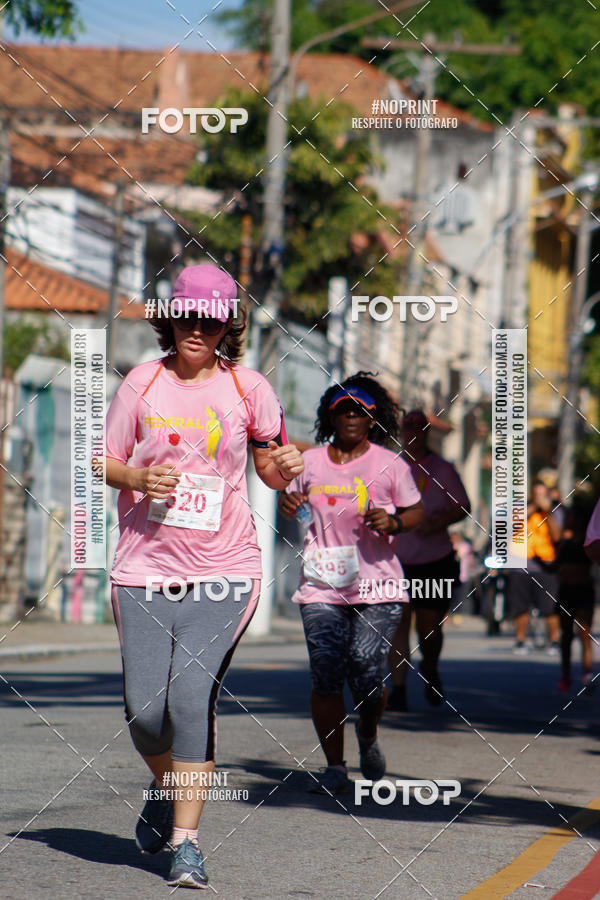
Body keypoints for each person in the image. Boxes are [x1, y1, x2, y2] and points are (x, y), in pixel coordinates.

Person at [105, 264, 303, 889]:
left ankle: (186, 844)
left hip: (225, 569)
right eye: (188, 317)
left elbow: (271, 468)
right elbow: (103, 460)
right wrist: (138, 478)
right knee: (144, 712)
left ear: (226, 327)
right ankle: (167, 790)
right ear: (171, 319)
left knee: (191, 698)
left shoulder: (249, 387)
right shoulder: (142, 382)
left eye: (211, 321)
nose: (198, 330)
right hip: (143, 568)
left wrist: (287, 465)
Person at [279, 374, 423, 795]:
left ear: (372, 419)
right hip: (322, 584)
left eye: (360, 411)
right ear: (331, 417)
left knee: (365, 667)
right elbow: (292, 501)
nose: (352, 417)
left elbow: (415, 511)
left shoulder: (390, 464)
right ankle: (335, 767)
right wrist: (290, 502)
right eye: (343, 410)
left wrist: (394, 521)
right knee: (325, 673)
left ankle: (368, 731)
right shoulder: (310, 463)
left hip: (378, 585)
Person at [387, 410, 470, 711]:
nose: (413, 434)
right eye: (408, 429)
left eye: (419, 429)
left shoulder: (442, 469)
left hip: (434, 560)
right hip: (396, 561)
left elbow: (463, 505)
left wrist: (437, 522)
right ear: (401, 432)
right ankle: (398, 690)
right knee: (397, 625)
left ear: (426, 433)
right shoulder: (390, 466)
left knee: (429, 629)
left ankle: (430, 666)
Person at [508, 479, 562, 655]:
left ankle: (554, 641)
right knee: (520, 607)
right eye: (536, 494)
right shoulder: (520, 508)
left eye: (542, 494)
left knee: (550, 607)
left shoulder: (555, 511)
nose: (539, 498)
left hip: (546, 566)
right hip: (520, 564)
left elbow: (557, 536)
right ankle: (520, 640)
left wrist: (548, 513)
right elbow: (510, 527)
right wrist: (532, 508)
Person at [556, 505, 595, 693]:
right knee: (566, 636)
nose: (569, 520)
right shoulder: (565, 544)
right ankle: (566, 675)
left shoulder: (590, 544)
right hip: (566, 592)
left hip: (583, 591)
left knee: (584, 635)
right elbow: (555, 566)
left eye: (572, 517)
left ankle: (587, 674)